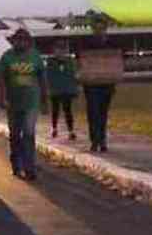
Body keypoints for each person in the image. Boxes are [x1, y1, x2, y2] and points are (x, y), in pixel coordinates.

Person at [0, 29, 48, 181]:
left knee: (29, 133)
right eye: (17, 40)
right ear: (13, 41)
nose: (20, 42)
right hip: (13, 103)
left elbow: (42, 79)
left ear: (28, 41)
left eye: (23, 39)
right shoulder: (7, 57)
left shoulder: (35, 56)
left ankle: (29, 167)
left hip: (31, 102)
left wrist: (45, 100)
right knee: (14, 135)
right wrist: (2, 97)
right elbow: (1, 79)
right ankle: (16, 164)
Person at [78, 20, 121, 152]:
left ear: (105, 29)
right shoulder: (86, 44)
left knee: (102, 113)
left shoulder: (112, 44)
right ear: (93, 29)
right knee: (93, 113)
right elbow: (80, 58)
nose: (99, 31)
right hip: (91, 85)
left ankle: (102, 140)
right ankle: (95, 140)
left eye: (101, 29)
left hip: (106, 84)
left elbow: (118, 59)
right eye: (97, 29)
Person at [46, 39, 78, 140]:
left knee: (67, 110)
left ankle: (71, 130)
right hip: (55, 89)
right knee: (55, 109)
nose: (60, 52)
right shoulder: (50, 62)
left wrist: (74, 89)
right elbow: (48, 76)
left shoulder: (70, 61)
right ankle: (54, 128)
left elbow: (73, 75)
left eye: (63, 50)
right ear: (55, 50)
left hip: (66, 89)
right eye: (58, 49)